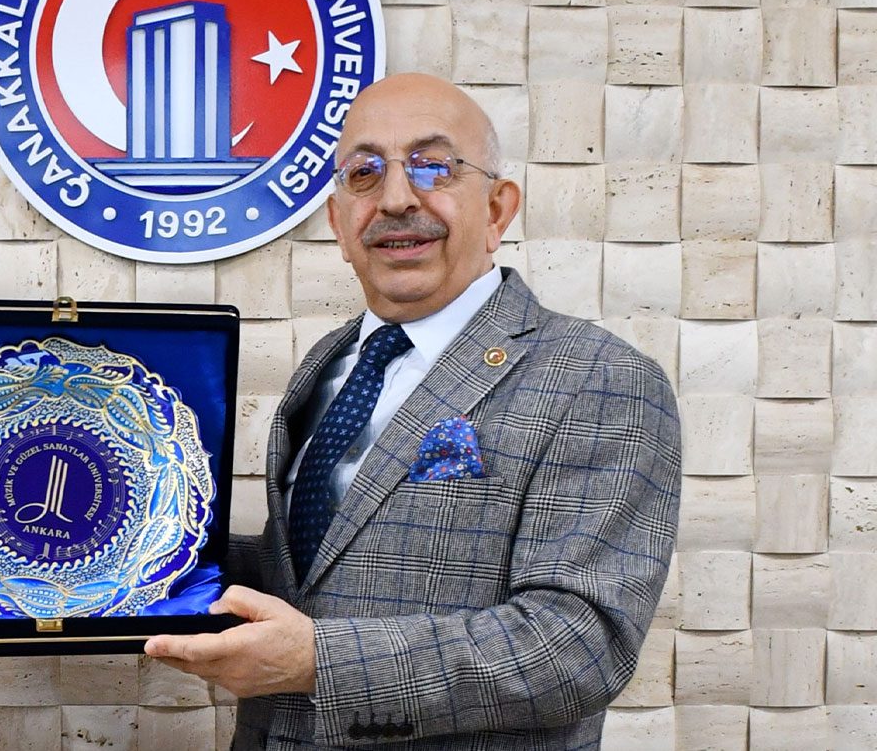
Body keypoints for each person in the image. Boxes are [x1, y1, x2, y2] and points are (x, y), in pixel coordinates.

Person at [146, 73, 681, 749]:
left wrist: (319, 663)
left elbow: (579, 645)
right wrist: (142, 550)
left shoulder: (599, 377)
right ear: (339, 225)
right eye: (364, 173)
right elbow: (315, 573)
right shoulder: (329, 363)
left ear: (497, 211)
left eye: (434, 166)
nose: (397, 198)